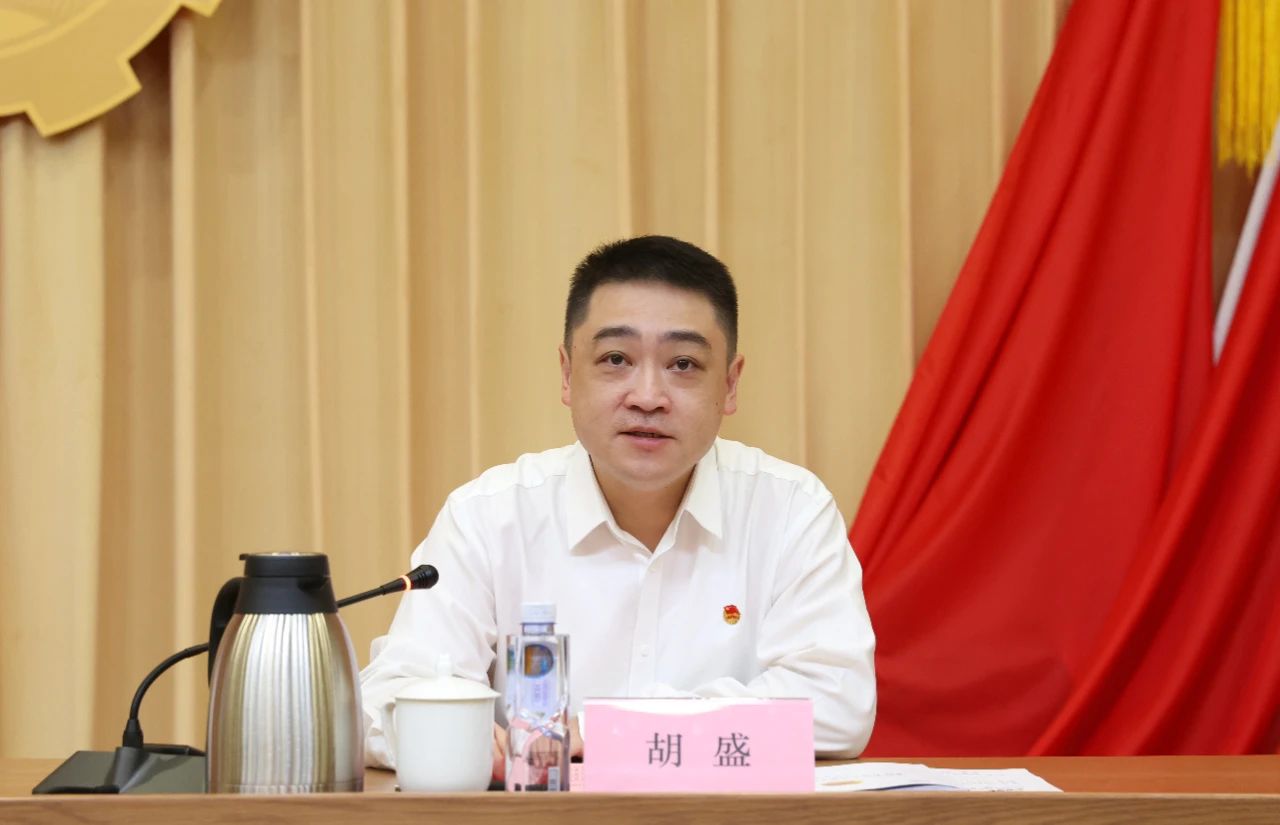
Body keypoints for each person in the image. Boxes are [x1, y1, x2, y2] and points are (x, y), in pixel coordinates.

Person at [359, 236, 876, 776]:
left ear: (729, 384)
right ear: (567, 374)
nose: (647, 396)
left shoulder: (790, 511)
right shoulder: (488, 518)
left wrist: (609, 731)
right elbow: (388, 697)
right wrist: (450, 734)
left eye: (683, 363)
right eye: (615, 359)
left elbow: (837, 705)